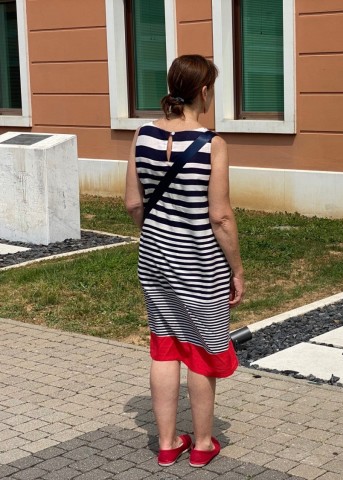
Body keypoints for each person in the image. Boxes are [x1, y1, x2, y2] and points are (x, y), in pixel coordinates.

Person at [125, 54, 244, 468]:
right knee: (201, 351)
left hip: (153, 260)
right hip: (200, 265)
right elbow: (221, 216)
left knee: (164, 348)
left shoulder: (142, 136)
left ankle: (166, 442)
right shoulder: (213, 144)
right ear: (204, 91)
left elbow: (133, 203)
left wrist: (160, 232)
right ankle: (204, 444)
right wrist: (237, 269)